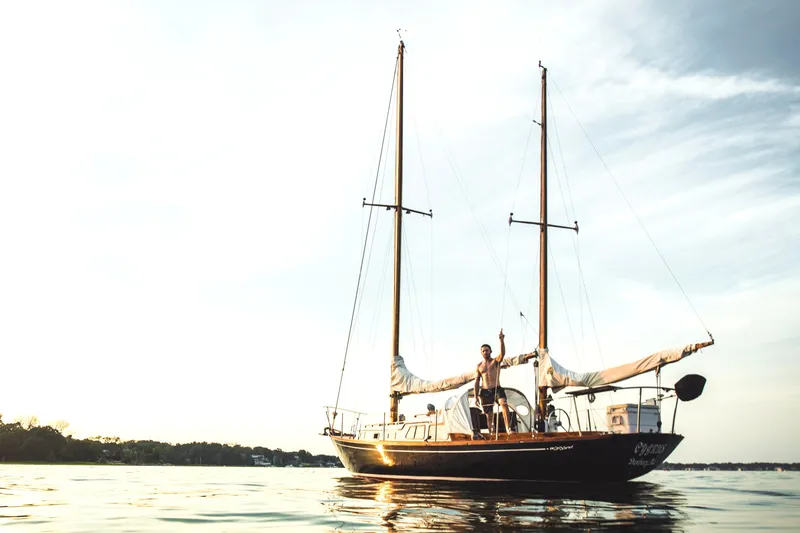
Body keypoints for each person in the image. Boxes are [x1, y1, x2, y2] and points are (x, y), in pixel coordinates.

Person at [473, 328, 514, 435]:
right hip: (485, 391)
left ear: (490, 351)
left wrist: (501, 340)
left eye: (487, 350)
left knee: (504, 404)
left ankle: (508, 428)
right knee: (489, 414)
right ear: (481, 353)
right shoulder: (479, 366)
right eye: (483, 350)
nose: (485, 352)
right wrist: (476, 396)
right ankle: (491, 432)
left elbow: (502, 353)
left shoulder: (495, 362)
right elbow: (477, 381)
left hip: (497, 389)